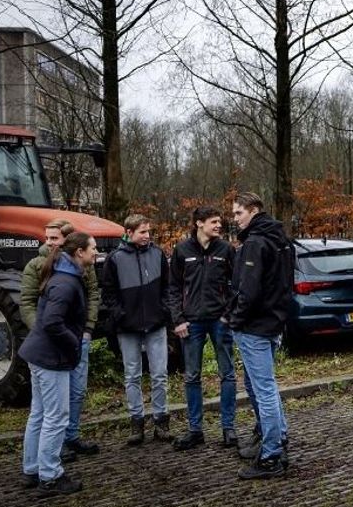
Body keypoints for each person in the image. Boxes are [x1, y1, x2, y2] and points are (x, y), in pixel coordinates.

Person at [18, 231, 96, 498]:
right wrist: (74, 342)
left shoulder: (63, 275)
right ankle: (50, 476)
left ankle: (32, 469)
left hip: (40, 355)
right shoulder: (65, 283)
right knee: (56, 416)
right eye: (93, 248)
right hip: (51, 358)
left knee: (39, 414)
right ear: (79, 253)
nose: (96, 252)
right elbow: (52, 322)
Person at [226, 192, 292, 479]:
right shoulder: (280, 239)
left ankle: (271, 455)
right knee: (264, 387)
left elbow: (248, 290)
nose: (235, 219)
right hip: (273, 323)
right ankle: (277, 438)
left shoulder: (255, 243)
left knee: (263, 390)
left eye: (238, 213)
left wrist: (235, 319)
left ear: (253, 210)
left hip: (255, 327)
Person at [167, 206, 239, 451]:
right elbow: (173, 288)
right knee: (192, 376)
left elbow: (235, 286)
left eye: (220, 221)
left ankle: (228, 428)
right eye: (214, 221)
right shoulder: (182, 250)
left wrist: (228, 316)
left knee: (227, 374)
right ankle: (195, 430)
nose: (219, 225)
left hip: (220, 321)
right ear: (199, 223)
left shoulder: (226, 250)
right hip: (191, 322)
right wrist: (178, 319)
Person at [101, 214, 172, 446]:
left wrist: (163, 310)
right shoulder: (115, 259)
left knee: (159, 374)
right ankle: (137, 422)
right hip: (128, 326)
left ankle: (161, 421)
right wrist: (120, 314)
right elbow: (108, 293)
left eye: (148, 231)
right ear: (129, 232)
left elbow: (167, 287)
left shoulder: (157, 254)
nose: (147, 236)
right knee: (132, 375)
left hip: (155, 323)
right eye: (142, 232)